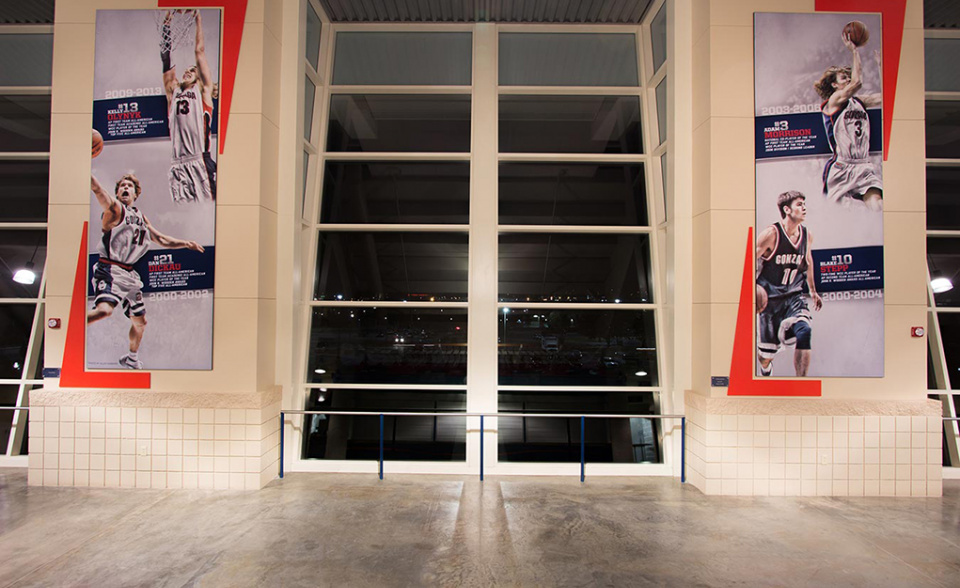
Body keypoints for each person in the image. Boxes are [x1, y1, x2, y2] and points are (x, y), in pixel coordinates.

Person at [87, 173, 204, 369]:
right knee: (104, 311)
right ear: (117, 192)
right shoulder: (115, 209)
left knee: (140, 323)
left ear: (135, 193)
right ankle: (69, 326)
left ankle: (132, 359)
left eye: (129, 186)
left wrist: (186, 243)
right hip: (111, 268)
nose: (125, 188)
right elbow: (98, 190)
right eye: (122, 186)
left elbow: (162, 239)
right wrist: (84, 167)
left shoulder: (140, 217)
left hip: (130, 275)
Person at [814, 31, 883, 211]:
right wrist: (854, 51)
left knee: (877, 205)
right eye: (844, 78)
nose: (848, 79)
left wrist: (882, 68)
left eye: (848, 76)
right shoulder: (834, 101)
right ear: (835, 85)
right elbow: (858, 83)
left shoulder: (859, 102)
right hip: (841, 166)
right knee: (834, 216)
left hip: (863, 164)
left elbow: (886, 98)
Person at [756, 191, 823, 377]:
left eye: (804, 204)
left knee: (805, 331)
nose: (804, 208)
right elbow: (747, 263)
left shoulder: (807, 235)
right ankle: (766, 365)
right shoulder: (771, 234)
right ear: (787, 209)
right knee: (766, 356)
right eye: (799, 204)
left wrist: (813, 291)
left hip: (793, 295)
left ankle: (801, 382)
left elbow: (808, 262)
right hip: (769, 301)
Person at [162, 10, 216, 203]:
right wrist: (166, 27)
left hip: (199, 159)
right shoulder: (173, 92)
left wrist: (198, 20)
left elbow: (199, 52)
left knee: (206, 211)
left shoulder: (203, 93)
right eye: (186, 70)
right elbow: (166, 60)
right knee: (184, 214)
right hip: (177, 164)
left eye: (192, 71)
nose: (187, 72)